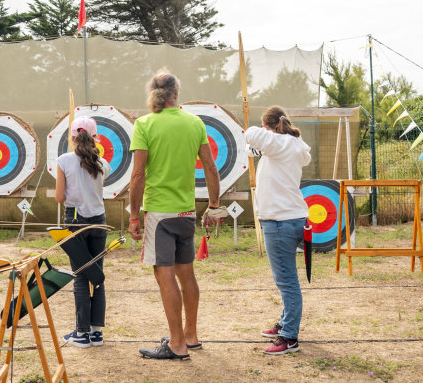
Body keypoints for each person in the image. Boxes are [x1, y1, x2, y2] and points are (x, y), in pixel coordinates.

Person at [128, 70, 225, 360]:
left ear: (153, 92)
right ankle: (190, 336)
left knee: (164, 275)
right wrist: (214, 204)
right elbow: (210, 166)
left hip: (159, 213)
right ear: (176, 93)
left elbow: (137, 175)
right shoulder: (194, 123)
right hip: (186, 213)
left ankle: (177, 344)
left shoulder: (145, 124)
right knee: (186, 273)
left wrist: (134, 216)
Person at [246, 105, 312, 355]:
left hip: (281, 221)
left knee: (286, 280)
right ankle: (286, 324)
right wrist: (258, 146)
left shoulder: (280, 142)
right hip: (287, 219)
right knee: (285, 277)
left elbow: (251, 134)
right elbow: (254, 145)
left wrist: (261, 137)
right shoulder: (289, 144)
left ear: (269, 128)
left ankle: (289, 337)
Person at [55, 116, 111, 348]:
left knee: (80, 274)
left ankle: (81, 333)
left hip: (76, 221)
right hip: (99, 222)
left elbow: (59, 198)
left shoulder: (64, 160)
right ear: (95, 136)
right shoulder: (103, 163)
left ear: (72, 137)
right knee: (96, 274)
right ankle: (96, 333)